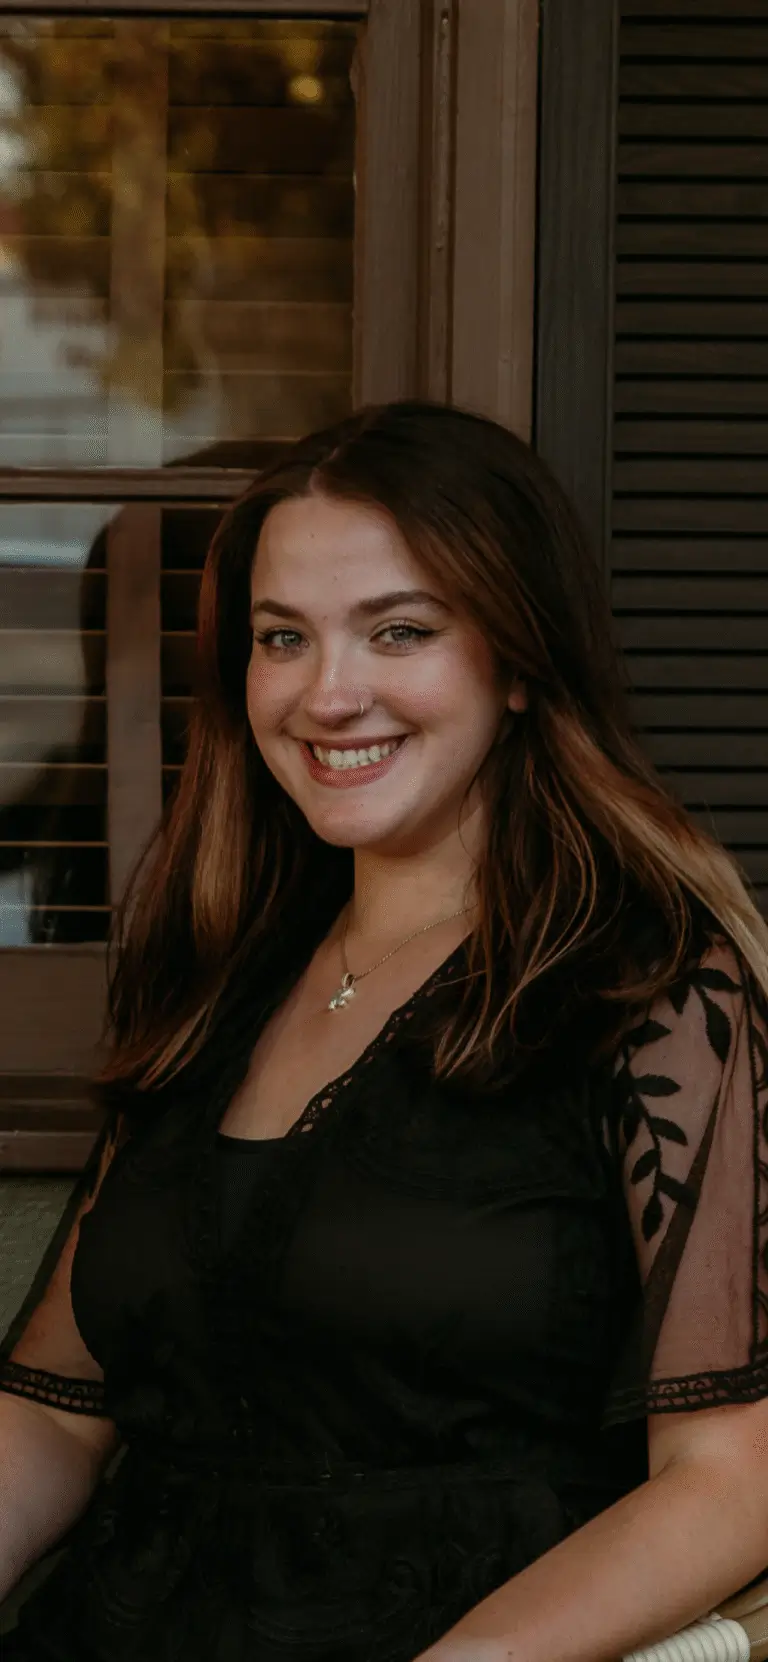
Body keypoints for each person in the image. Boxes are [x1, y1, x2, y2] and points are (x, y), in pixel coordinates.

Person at [2, 399, 768, 1662]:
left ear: (520, 662)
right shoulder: (220, 978)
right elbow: (53, 1411)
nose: (326, 694)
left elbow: (730, 1478)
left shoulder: (653, 996)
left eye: (398, 631)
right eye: (280, 638)